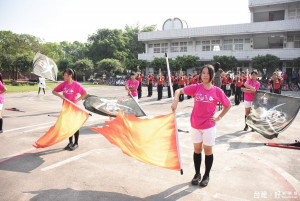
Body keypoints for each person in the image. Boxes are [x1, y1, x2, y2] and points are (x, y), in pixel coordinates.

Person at [171, 65, 231, 187]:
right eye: (203, 73)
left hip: (208, 126)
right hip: (195, 125)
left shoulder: (217, 91)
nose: (204, 75)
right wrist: (175, 101)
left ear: (212, 75)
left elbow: (228, 105)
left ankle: (206, 175)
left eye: (207, 73)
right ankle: (197, 174)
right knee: (197, 150)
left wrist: (219, 117)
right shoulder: (196, 87)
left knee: (208, 151)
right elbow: (178, 90)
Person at [52, 68, 88, 151]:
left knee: (75, 126)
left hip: (74, 108)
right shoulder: (63, 84)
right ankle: (70, 142)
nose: (64, 76)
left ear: (70, 76)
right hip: (66, 108)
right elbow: (54, 91)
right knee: (68, 126)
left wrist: (76, 100)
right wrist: (60, 95)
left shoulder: (76, 85)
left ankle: (76, 143)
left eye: (65, 75)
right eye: (64, 75)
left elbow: (85, 93)